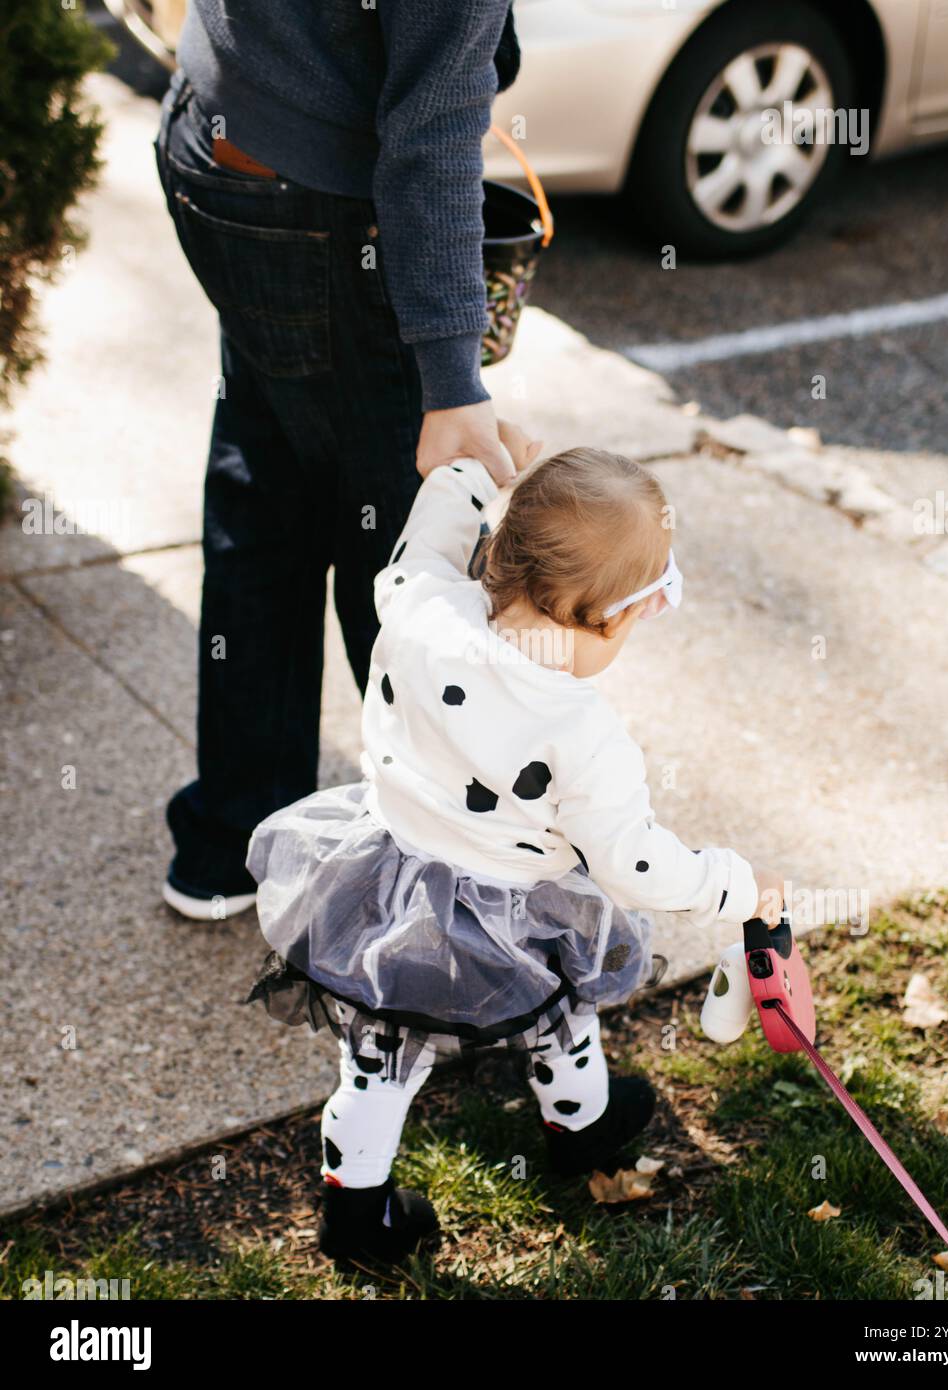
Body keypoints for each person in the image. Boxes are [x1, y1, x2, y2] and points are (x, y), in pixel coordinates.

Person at [245, 447, 786, 1264]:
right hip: (511, 913)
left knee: (381, 1057)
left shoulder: (417, 601)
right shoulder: (584, 735)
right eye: (648, 611)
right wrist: (741, 888)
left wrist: (480, 462)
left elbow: (433, 519)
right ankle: (580, 1123)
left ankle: (356, 1216)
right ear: (608, 618)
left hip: (390, 881)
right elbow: (633, 865)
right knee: (560, 1010)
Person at [153, 1, 537, 919]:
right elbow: (431, 132)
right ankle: (454, 900)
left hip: (215, 138)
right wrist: (450, 380)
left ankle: (235, 837)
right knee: (406, 564)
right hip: (321, 209)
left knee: (267, 487)